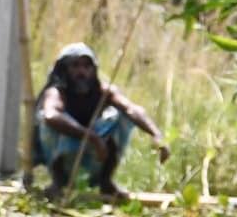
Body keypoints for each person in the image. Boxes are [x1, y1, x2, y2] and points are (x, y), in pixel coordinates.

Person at [33, 42, 168, 201]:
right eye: (75, 66)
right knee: (47, 120)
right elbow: (51, 115)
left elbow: (132, 109)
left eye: (86, 66)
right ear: (64, 70)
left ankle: (106, 182)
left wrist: (157, 134)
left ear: (93, 70)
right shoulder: (56, 93)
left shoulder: (104, 92)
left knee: (122, 116)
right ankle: (58, 183)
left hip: (96, 159)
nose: (81, 72)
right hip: (66, 160)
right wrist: (91, 137)